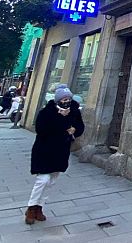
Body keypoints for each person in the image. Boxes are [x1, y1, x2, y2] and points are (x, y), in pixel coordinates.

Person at [25, 84, 84, 225]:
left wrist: (74, 130)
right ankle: (31, 207)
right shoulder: (47, 112)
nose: (66, 101)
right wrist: (62, 121)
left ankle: (40, 208)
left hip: (61, 151)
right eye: (63, 99)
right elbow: (41, 129)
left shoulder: (74, 112)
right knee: (43, 180)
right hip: (45, 150)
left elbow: (80, 127)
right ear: (58, 100)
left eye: (68, 98)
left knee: (51, 181)